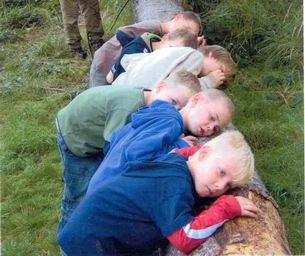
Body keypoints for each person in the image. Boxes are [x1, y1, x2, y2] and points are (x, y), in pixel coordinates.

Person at [57, 130, 258, 255]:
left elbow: (177, 153)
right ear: (202, 154)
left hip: (91, 233)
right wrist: (225, 207)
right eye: (221, 172)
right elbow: (183, 238)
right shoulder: (174, 184)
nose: (219, 187)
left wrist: (192, 151)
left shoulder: (176, 163)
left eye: (228, 186)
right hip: (90, 244)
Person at [55, 71, 201, 233]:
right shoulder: (128, 107)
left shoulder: (151, 105)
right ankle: (68, 238)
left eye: (180, 108)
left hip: (97, 133)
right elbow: (113, 150)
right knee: (78, 193)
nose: (174, 110)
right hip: (76, 134)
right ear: (160, 87)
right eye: (173, 102)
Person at [87, 88, 235, 193]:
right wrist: (179, 146)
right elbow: (137, 154)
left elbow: (119, 137)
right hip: (111, 192)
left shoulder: (160, 114)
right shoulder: (171, 123)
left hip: (102, 181)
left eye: (215, 128)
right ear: (196, 99)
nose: (210, 127)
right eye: (211, 117)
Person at [89, 11, 204, 87]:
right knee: (95, 90)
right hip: (105, 60)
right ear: (179, 17)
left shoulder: (159, 39)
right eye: (186, 28)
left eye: (191, 34)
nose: (186, 33)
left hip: (114, 67)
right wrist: (135, 49)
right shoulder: (154, 27)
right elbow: (122, 32)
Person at [112, 44, 236, 90]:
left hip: (122, 85)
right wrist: (208, 82)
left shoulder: (181, 52)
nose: (217, 76)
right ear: (211, 54)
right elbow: (181, 88)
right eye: (220, 70)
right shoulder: (196, 57)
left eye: (221, 79)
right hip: (132, 93)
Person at [106, 28, 198, 83]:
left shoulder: (160, 57)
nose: (170, 55)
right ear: (165, 38)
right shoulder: (135, 51)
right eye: (171, 48)